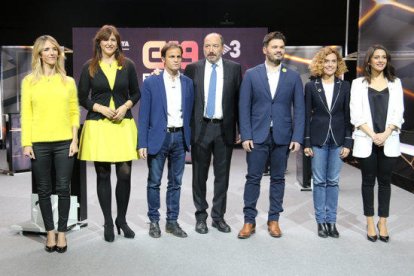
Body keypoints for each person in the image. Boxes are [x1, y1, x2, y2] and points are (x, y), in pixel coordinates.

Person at [238, 31, 305, 239]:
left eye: (282, 47)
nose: (279, 50)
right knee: (253, 179)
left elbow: (300, 109)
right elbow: (244, 106)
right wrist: (246, 134)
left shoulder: (293, 76)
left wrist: (297, 137)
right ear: (265, 49)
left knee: (278, 179)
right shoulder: (251, 74)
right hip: (257, 135)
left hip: (282, 136)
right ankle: (249, 221)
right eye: (275, 47)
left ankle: (273, 219)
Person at [77, 25, 140, 242]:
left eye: (113, 40)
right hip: (99, 126)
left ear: (118, 43)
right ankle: (107, 222)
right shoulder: (89, 67)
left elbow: (136, 92)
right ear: (99, 43)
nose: (110, 43)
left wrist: (125, 107)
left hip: (123, 125)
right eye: (106, 40)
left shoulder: (128, 65)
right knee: (103, 175)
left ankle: (121, 220)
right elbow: (82, 97)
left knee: (124, 175)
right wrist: (100, 108)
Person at [21, 35, 80, 253]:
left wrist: (75, 140)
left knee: (64, 188)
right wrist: (27, 143)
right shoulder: (28, 82)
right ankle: (50, 232)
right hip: (39, 143)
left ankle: (62, 233)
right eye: (47, 49)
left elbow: (74, 112)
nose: (52, 53)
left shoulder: (68, 81)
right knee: (44, 190)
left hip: (65, 142)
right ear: (39, 54)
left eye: (55, 49)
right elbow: (26, 114)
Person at [184, 33, 242, 234]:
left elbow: (239, 102)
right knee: (199, 176)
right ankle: (201, 216)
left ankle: (218, 217)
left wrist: (241, 129)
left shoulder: (234, 69)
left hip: (224, 129)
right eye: (207, 46)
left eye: (215, 46)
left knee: (222, 177)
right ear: (203, 48)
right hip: (201, 129)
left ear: (222, 47)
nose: (211, 50)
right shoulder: (193, 69)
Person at [138, 42, 194, 238]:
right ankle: (154, 221)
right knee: (154, 182)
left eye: (179, 56)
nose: (176, 60)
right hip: (158, 138)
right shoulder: (151, 82)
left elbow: (190, 113)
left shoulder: (188, 83)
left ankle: (172, 222)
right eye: (172, 56)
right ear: (163, 60)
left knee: (175, 183)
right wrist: (142, 142)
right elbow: (143, 115)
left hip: (180, 137)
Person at [350, 44, 404, 243]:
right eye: (376, 57)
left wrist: (386, 133)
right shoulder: (358, 84)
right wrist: (374, 135)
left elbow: (399, 113)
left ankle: (383, 221)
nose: (380, 60)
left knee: (385, 182)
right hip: (367, 139)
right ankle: (370, 221)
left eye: (383, 57)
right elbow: (355, 114)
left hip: (389, 140)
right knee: (367, 181)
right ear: (369, 61)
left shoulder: (395, 83)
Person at [303, 47, 352, 238]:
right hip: (317, 139)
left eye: (333, 61)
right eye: (326, 61)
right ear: (319, 64)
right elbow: (306, 116)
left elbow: (349, 116)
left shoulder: (345, 86)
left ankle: (332, 221)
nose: (330, 64)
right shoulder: (311, 86)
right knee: (320, 181)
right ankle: (320, 222)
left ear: (338, 64)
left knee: (333, 181)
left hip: (339, 139)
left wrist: (348, 142)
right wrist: (306, 142)